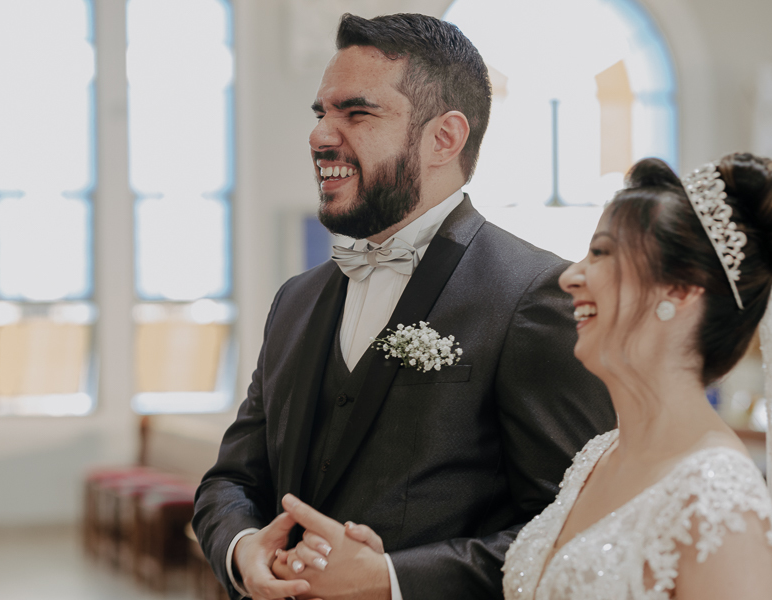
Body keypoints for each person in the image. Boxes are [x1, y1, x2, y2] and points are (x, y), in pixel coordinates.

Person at [192, 12, 614, 600]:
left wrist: (390, 579)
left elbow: (578, 531)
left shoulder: (535, 295)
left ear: (444, 138)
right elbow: (232, 480)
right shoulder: (295, 300)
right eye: (321, 113)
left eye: (356, 113)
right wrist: (243, 548)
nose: (319, 136)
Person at [500, 153, 772, 599]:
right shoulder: (597, 455)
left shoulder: (716, 501)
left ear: (680, 287)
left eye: (601, 252)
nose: (570, 276)